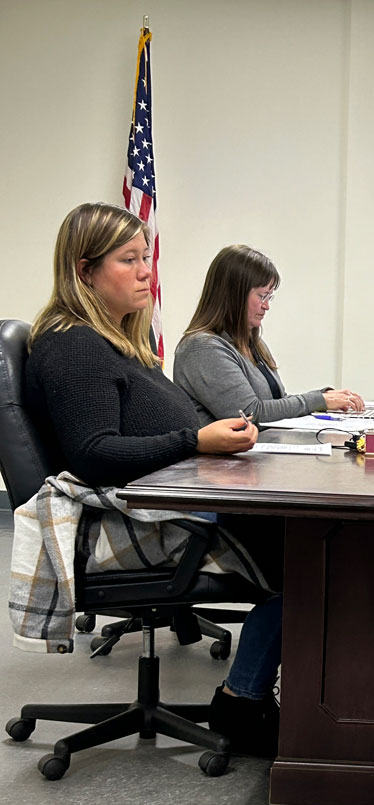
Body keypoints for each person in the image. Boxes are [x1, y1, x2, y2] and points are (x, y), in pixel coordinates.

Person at [24, 203, 283, 757]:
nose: (147, 271)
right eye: (129, 260)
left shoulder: (117, 342)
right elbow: (94, 454)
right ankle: (244, 703)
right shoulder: (73, 346)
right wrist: (196, 441)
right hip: (140, 522)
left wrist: (210, 440)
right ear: (84, 270)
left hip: (175, 503)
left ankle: (268, 694)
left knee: (311, 547)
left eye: (148, 257)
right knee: (314, 562)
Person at [173, 245, 364, 425]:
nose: (267, 306)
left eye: (269, 297)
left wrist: (325, 398)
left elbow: (276, 402)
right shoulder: (202, 348)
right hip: (218, 460)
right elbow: (250, 414)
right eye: (262, 296)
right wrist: (318, 400)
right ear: (233, 295)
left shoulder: (252, 342)